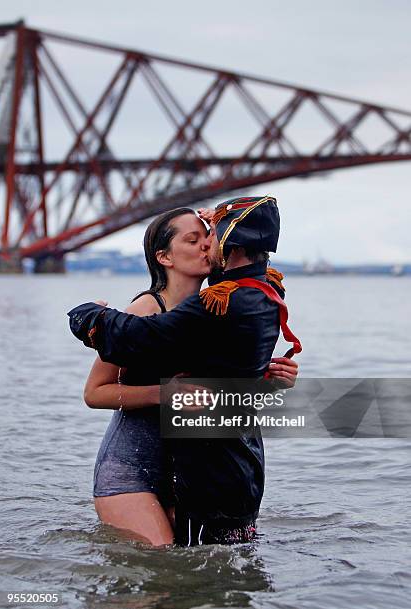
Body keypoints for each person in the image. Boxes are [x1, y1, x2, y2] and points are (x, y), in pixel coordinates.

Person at [69, 195, 302, 546]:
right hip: (132, 467)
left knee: (191, 573)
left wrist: (268, 379)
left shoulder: (213, 309)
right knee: (164, 566)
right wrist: (164, 394)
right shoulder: (147, 307)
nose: (208, 243)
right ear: (164, 257)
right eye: (193, 240)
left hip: (184, 473)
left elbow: (218, 393)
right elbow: (94, 393)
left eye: (209, 235)